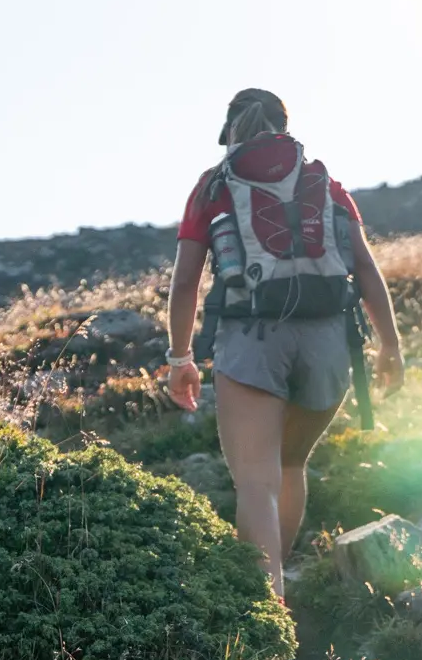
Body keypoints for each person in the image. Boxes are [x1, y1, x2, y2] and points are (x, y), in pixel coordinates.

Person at [165, 88, 404, 599]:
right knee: (291, 464)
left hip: (252, 336)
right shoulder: (325, 181)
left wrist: (181, 358)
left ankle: (263, 615)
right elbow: (364, 266)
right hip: (330, 342)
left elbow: (185, 281)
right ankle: (279, 589)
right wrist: (391, 346)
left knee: (256, 483)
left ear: (229, 133)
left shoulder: (214, 185)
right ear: (285, 126)